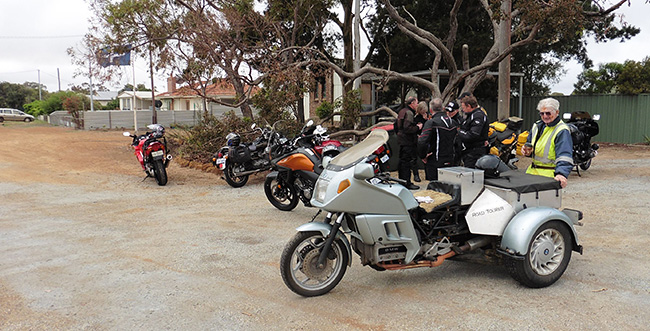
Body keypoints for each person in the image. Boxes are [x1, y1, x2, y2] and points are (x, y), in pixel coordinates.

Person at [521, 97, 573, 188]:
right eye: (542, 113)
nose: (545, 116)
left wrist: (561, 174)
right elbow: (530, 144)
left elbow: (564, 155)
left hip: (549, 176)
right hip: (532, 173)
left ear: (557, 112)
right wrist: (526, 151)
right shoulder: (537, 126)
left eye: (548, 113)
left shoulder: (561, 130)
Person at [418, 98, 459, 180]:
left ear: (430, 109)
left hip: (435, 160)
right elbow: (458, 141)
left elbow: (422, 141)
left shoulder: (431, 122)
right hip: (451, 160)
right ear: (443, 108)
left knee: (434, 188)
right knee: (448, 186)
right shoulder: (453, 122)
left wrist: (423, 155)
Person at [396, 96, 422, 190]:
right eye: (416, 103)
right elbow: (407, 128)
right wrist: (418, 127)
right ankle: (407, 182)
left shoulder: (402, 111)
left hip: (402, 141)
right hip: (408, 141)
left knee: (402, 162)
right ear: (412, 103)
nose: (417, 105)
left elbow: (396, 126)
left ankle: (402, 180)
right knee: (406, 162)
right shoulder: (409, 113)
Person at [458, 94, 489, 168]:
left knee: (471, 173)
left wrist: (458, 132)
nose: (463, 110)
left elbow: (473, 134)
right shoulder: (471, 115)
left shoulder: (478, 116)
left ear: (469, 106)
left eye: (463, 107)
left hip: (475, 151)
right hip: (468, 150)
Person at [412, 101, 430, 182]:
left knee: (426, 157)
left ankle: (428, 174)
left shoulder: (428, 117)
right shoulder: (416, 118)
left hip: (426, 140)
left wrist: (426, 119)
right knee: (414, 158)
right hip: (418, 139)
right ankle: (416, 175)